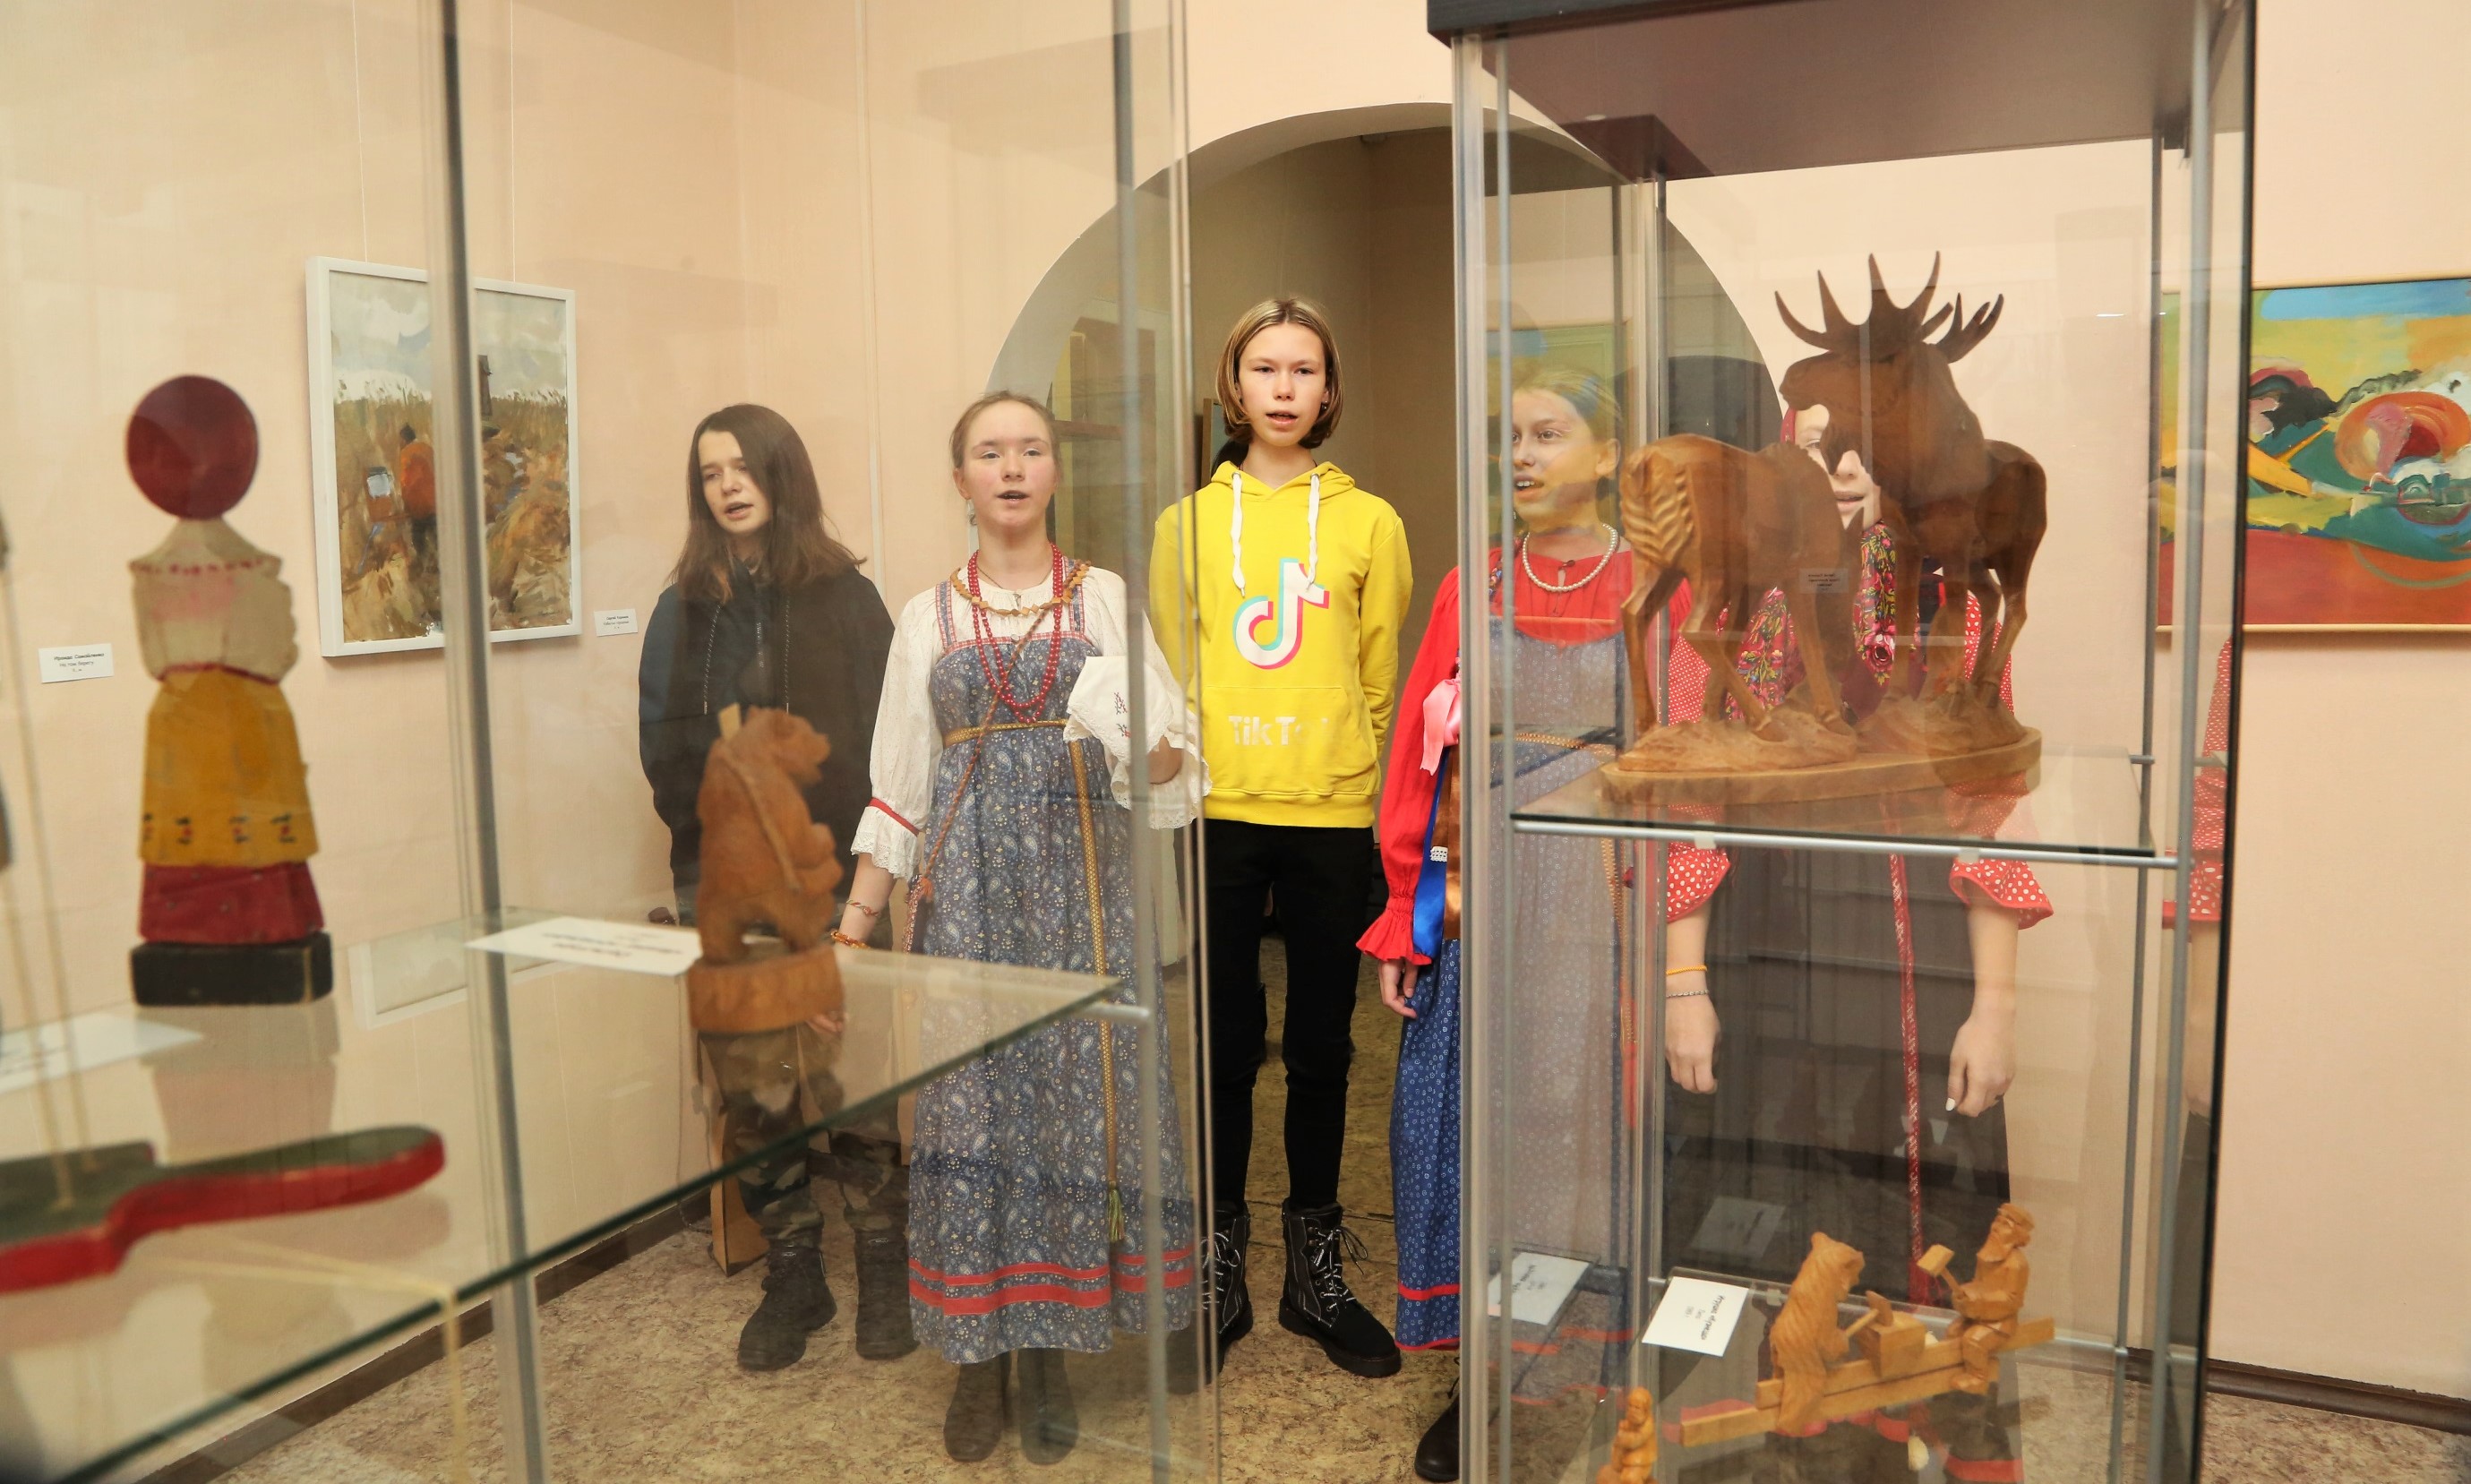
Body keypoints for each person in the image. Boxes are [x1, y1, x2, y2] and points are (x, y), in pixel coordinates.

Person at [1655, 401, 2051, 1480]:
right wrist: (1684, 983)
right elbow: (1691, 805)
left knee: (1927, 1194)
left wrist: (1995, 1007)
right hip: (1770, 935)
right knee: (1779, 1189)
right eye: (1811, 446)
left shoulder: (1948, 602)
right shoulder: (1726, 602)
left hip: (1917, 943)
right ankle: (1796, 1436)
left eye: (1856, 452)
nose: (1834, 469)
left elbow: (1989, 809)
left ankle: (1912, 1436)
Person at [1365, 369, 1728, 1481]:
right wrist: (1406, 914)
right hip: (1479, 897)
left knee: (1571, 1137)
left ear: (1608, 456)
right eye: (1510, 437)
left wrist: (1679, 968)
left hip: (1595, 899)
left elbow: (1688, 779)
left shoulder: (1662, 594)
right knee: (1464, 1128)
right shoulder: (1468, 584)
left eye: (1547, 433)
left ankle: (1580, 1372)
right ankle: (1478, 1377)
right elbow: (1421, 761)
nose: (1520, 456)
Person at [841, 393, 1203, 1463]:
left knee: (1071, 1120)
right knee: (970, 1121)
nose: (1010, 468)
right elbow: (898, 788)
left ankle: (1047, 1354)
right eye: (988, 452)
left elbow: (1168, 761)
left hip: (1083, 901)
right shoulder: (924, 617)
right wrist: (854, 926)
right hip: (965, 902)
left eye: (1030, 449)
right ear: (959, 478)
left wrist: (1155, 748)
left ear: (1054, 470)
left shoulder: (1105, 600)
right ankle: (977, 1358)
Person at [1150, 297, 1413, 1379]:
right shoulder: (1182, 525)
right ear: (1234, 384)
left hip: (1329, 816)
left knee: (1320, 1049)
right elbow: (1170, 680)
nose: (1284, 387)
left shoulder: (1370, 522)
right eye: (1265, 368)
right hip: (1218, 815)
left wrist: (1347, 771)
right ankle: (1218, 1267)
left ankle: (1313, 1275)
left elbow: (1379, 677)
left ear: (1327, 389)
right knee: (1222, 1045)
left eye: (1303, 369)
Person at [635, 403, 907, 1373]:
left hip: (835, 883)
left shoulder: (847, 599)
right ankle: (794, 1270)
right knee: (754, 1091)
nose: (728, 486)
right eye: (710, 473)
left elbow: (888, 749)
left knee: (856, 1083)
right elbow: (664, 750)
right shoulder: (682, 607)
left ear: (781, 474)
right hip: (727, 891)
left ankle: (882, 1261)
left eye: (744, 467)